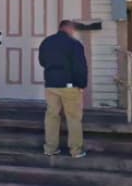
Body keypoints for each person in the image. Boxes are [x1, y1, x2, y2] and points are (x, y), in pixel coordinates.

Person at [37, 19, 88, 158]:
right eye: (73, 30)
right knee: (73, 117)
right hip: (70, 86)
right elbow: (80, 67)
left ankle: (50, 148)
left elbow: (42, 61)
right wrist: (82, 84)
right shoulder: (75, 45)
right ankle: (76, 150)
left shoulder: (47, 42)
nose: (73, 32)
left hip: (51, 84)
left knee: (52, 116)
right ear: (69, 29)